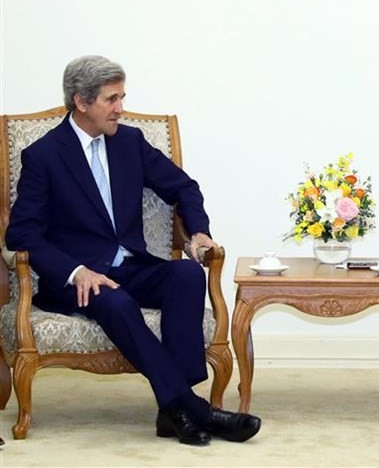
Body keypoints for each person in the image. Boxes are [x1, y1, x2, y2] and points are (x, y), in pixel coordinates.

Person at [5, 55, 261, 446]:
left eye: (122, 97)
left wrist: (199, 233)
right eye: (111, 99)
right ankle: (193, 409)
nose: (121, 109)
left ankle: (172, 412)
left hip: (131, 264)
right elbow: (22, 234)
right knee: (117, 302)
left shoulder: (130, 142)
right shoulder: (44, 155)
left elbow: (183, 187)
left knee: (186, 275)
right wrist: (76, 272)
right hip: (77, 278)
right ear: (81, 102)